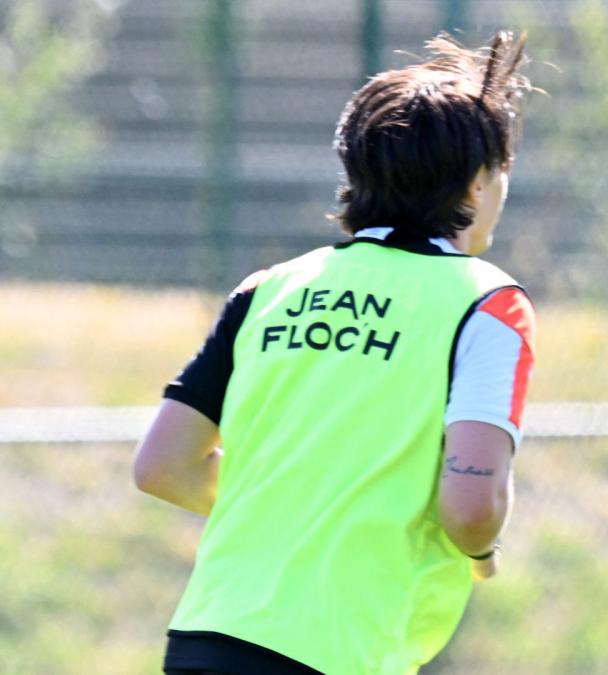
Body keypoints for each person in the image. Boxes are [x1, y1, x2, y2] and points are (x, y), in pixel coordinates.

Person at [133, 31, 536, 675]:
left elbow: (162, 465)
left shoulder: (269, 288)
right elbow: (471, 508)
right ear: (480, 182)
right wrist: (481, 549)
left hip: (204, 636)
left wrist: (296, 506)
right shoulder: (488, 304)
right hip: (340, 650)